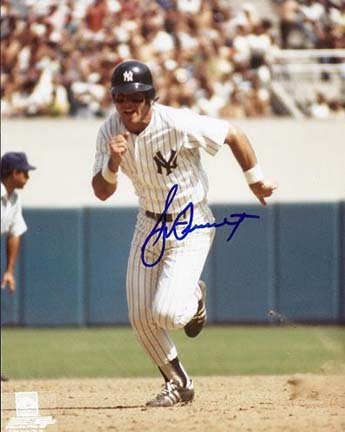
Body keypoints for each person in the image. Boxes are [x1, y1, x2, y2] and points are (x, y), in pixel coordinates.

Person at [91, 60, 276, 407]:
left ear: (149, 97)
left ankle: (196, 300)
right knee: (140, 316)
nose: (126, 103)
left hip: (189, 220)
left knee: (167, 313)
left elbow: (233, 133)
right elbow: (101, 192)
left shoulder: (176, 122)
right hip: (148, 223)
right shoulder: (108, 132)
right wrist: (112, 164)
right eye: (120, 96)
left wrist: (255, 180)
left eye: (134, 95)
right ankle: (179, 383)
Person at [1, 151, 36, 382]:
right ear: (14, 173)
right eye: (25, 172)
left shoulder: (13, 198)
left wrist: (9, 270)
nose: (27, 177)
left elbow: (14, 232)